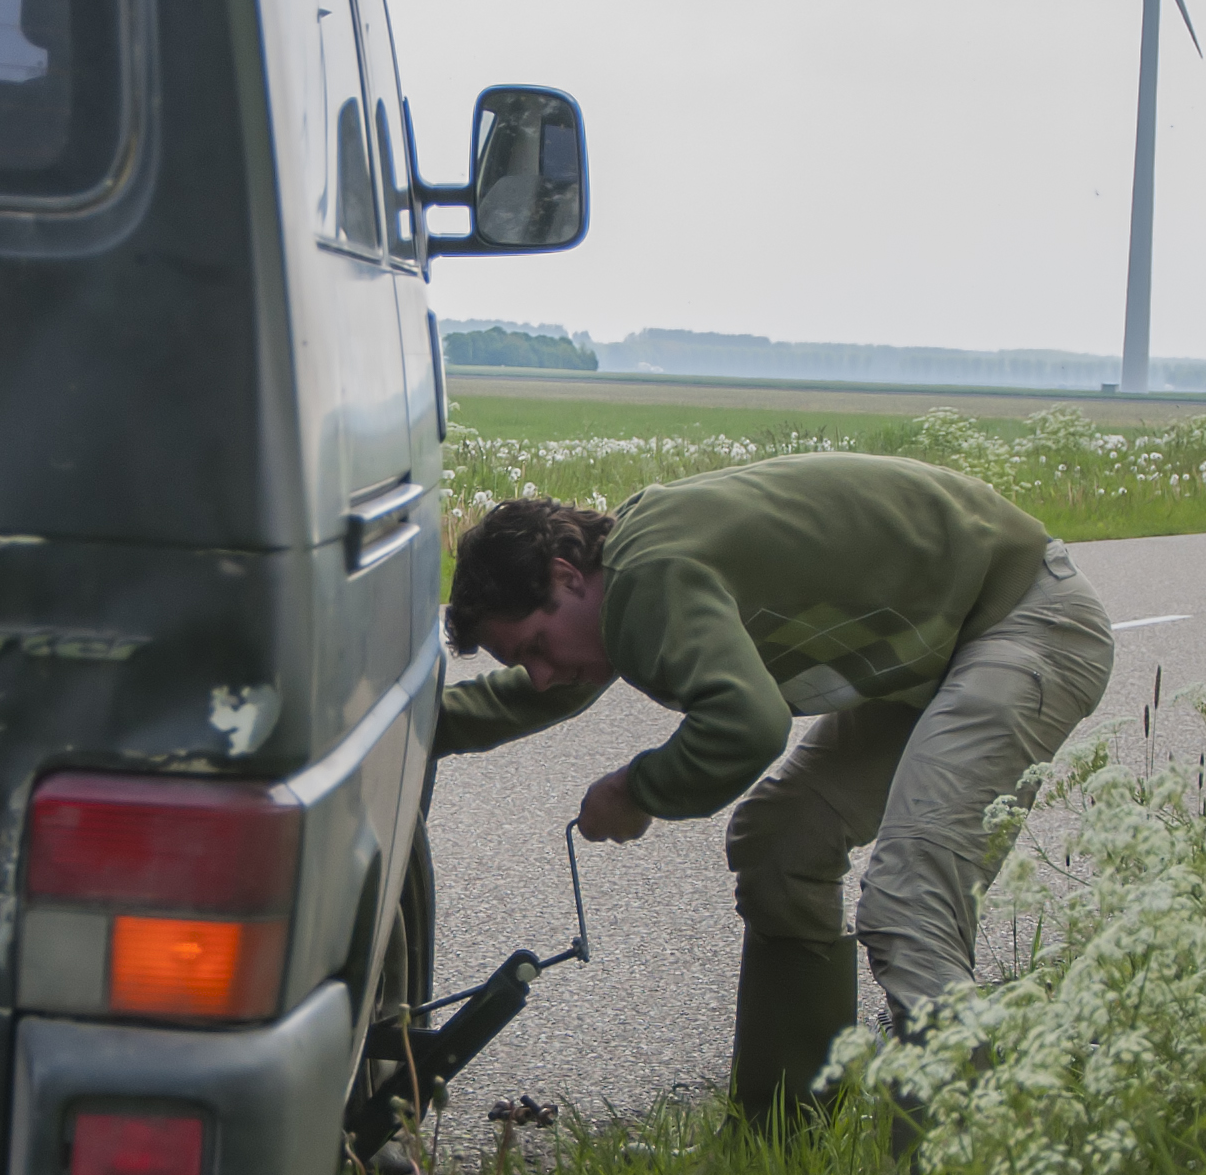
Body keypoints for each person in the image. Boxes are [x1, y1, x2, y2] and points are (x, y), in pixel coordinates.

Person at [436, 451, 1115, 1129]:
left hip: (1025, 619)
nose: (544, 675)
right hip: (943, 646)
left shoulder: (650, 576)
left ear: (566, 576)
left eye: (534, 647)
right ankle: (784, 1133)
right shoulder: (627, 577)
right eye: (525, 662)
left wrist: (636, 790)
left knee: (910, 902)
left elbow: (747, 726)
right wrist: (412, 733)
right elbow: (539, 694)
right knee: (783, 840)